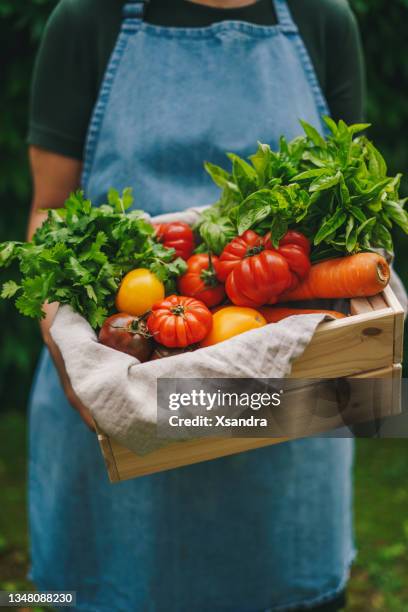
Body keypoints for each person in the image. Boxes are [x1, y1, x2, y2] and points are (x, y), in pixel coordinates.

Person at [27, 1, 365, 610]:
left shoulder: (324, 18)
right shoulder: (86, 18)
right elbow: (50, 207)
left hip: (281, 414)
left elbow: (340, 209)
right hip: (119, 376)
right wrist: (64, 346)